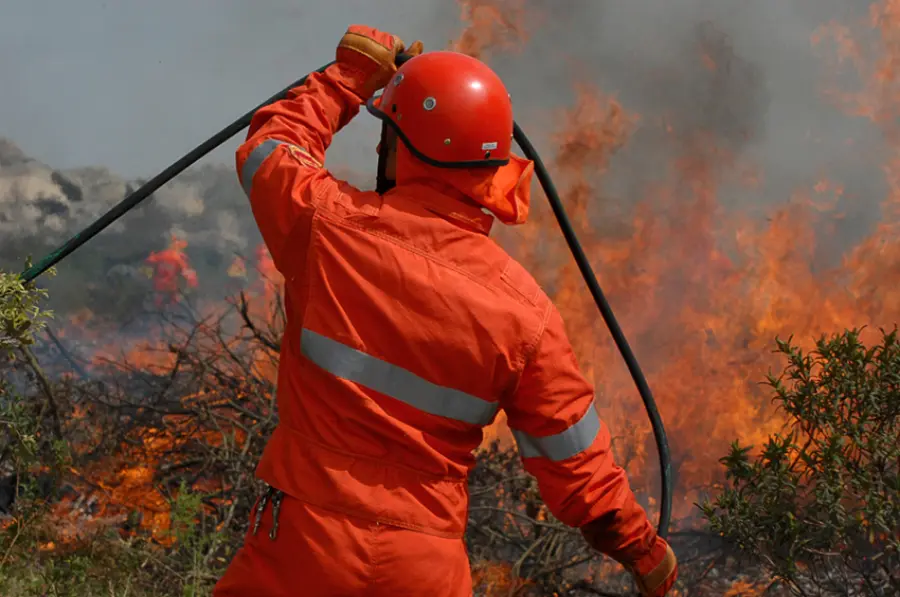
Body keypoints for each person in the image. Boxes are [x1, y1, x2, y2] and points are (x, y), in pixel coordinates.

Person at [213, 25, 678, 597]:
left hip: (305, 545)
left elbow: (270, 148)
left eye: (388, 136)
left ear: (402, 147)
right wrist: (642, 550)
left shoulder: (327, 228)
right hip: (423, 566)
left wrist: (350, 77)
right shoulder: (525, 314)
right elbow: (576, 465)